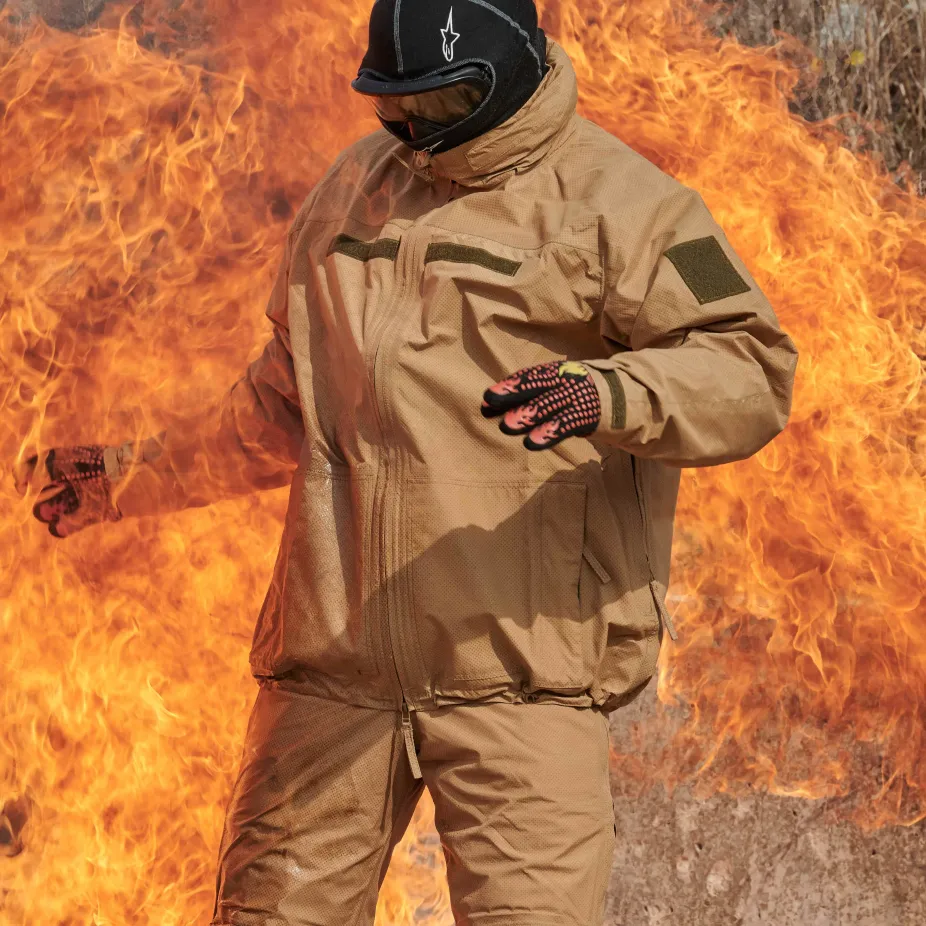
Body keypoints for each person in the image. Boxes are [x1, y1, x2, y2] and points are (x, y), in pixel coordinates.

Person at [13, 1, 799, 923]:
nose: (419, 131)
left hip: (520, 677)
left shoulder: (636, 208)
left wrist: (607, 394)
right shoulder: (354, 190)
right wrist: (125, 475)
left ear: (510, 73)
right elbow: (282, 405)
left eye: (447, 101)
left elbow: (750, 366)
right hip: (333, 671)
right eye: (399, 107)